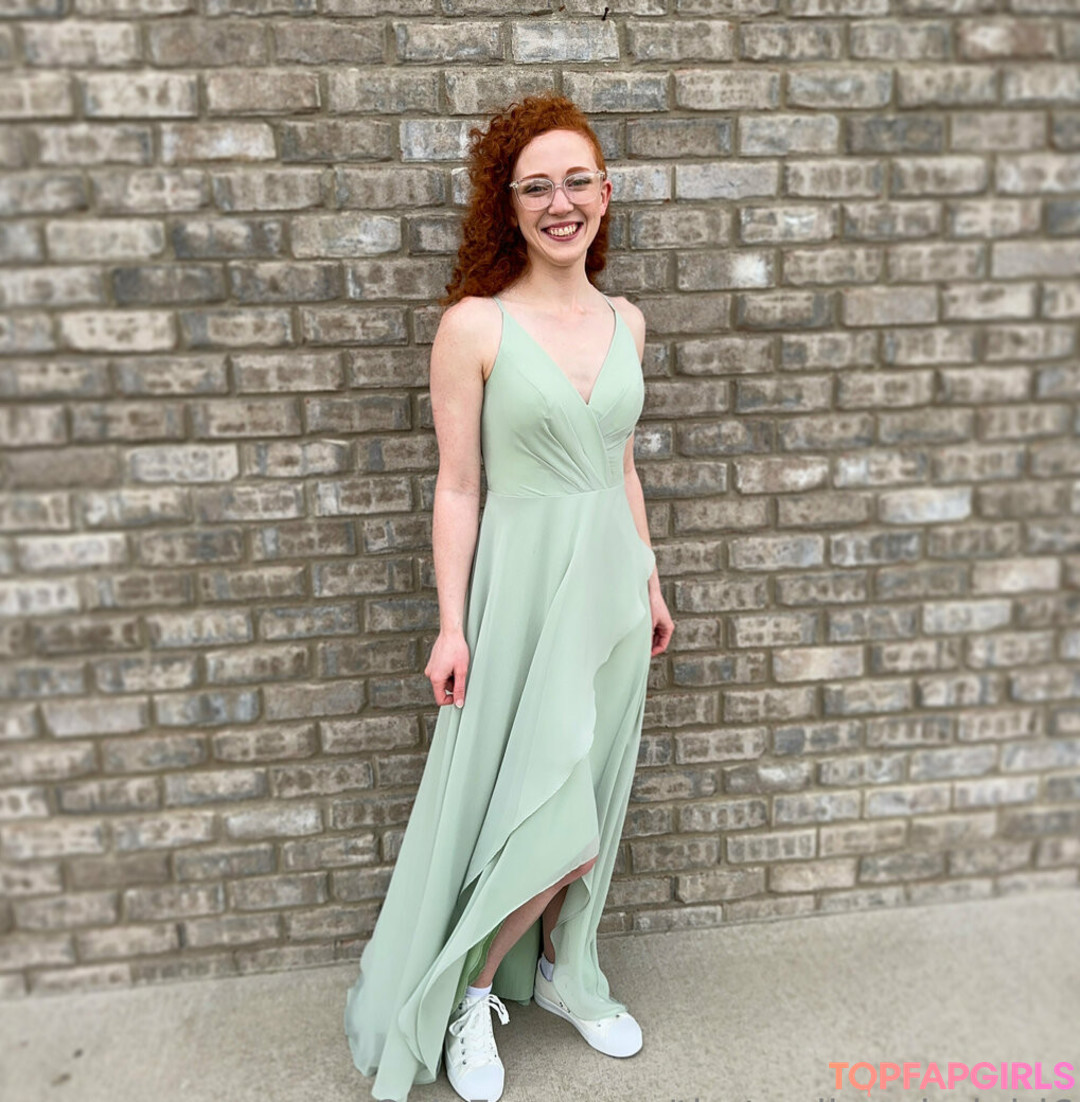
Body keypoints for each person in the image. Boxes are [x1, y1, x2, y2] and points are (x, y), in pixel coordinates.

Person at [343, 92, 674, 1102]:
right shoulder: (476, 325)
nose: (559, 203)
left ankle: (569, 971)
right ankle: (469, 992)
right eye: (536, 188)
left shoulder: (627, 321)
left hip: (613, 593)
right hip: (522, 598)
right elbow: (458, 487)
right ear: (510, 205)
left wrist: (652, 578)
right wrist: (452, 625)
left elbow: (621, 467)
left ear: (605, 194)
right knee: (545, 812)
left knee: (591, 797)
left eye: (576, 182)